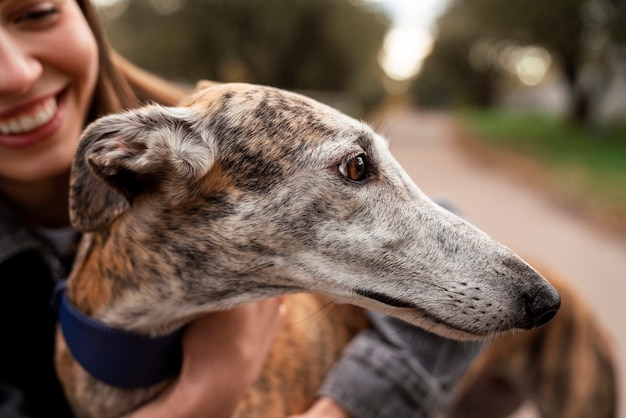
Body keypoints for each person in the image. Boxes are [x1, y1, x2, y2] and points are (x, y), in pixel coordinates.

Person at [0, 1, 481, 417]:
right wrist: (206, 397)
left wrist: (345, 408)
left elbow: (444, 244)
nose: (16, 75)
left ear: (86, 17)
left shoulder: (218, 126)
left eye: (37, 12)